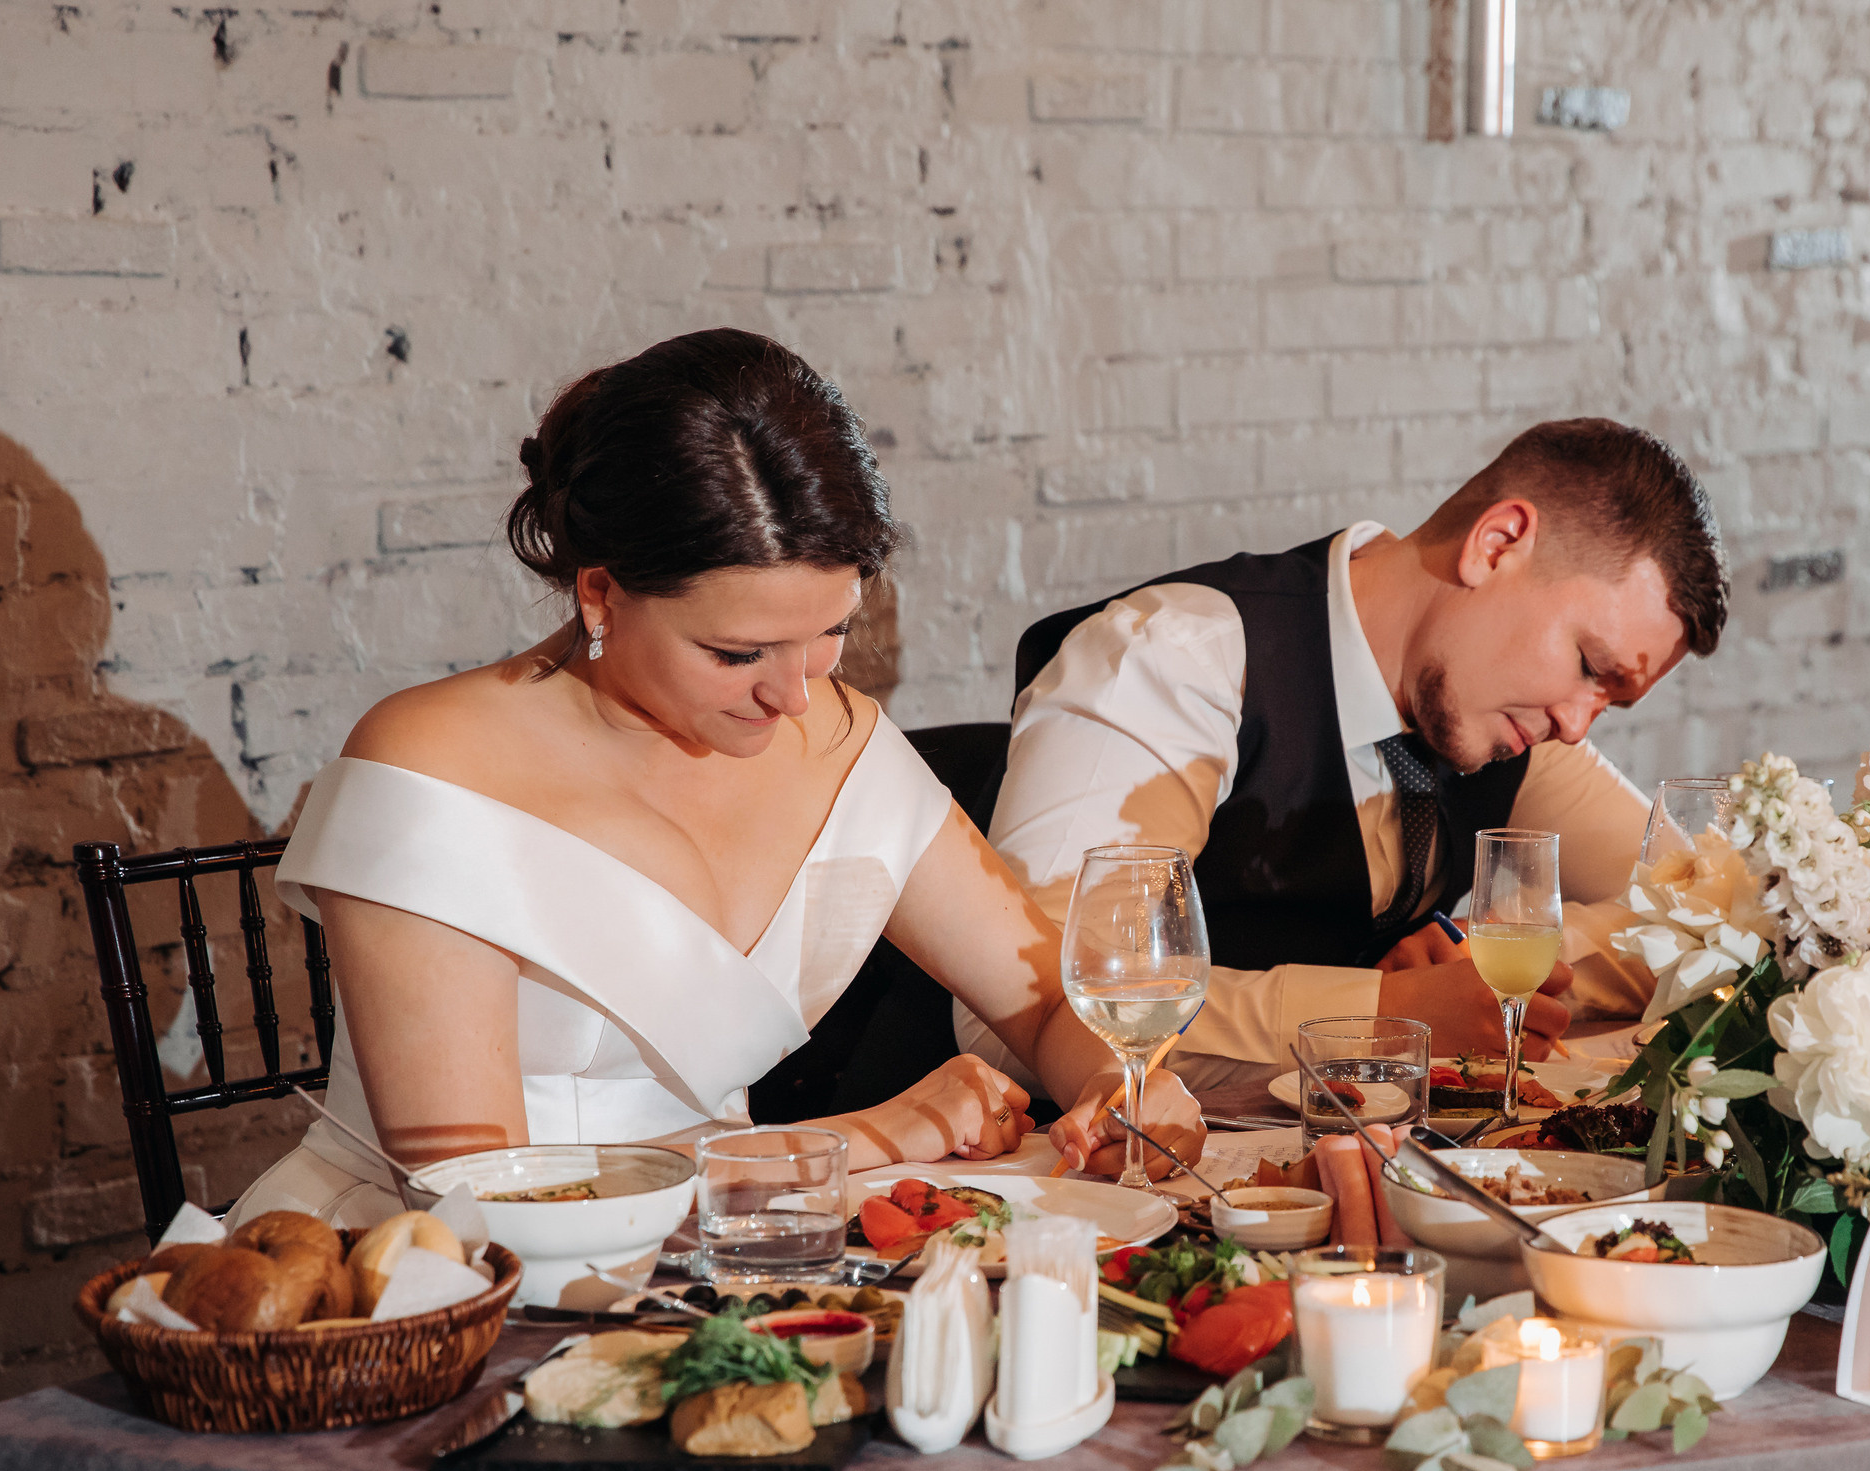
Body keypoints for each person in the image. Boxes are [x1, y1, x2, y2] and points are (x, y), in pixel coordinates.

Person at [232, 329, 1199, 1227]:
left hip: (729, 1258)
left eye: (830, 634)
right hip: (419, 1292)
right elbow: (478, 1198)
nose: (793, 695)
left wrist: (1128, 1084)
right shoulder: (430, 763)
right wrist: (864, 1140)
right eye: (739, 652)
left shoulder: (834, 739)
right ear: (601, 592)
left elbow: (1043, 997)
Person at [960, 419, 1727, 1097]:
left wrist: (1487, 964)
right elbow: (1018, 1012)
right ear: (1497, 545)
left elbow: (1708, 916)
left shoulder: (1508, 724)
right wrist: (1384, 1014)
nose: (1576, 722)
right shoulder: (1175, 661)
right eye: (1590, 666)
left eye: (1608, 702)